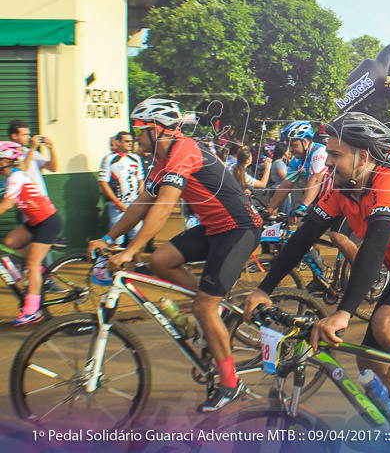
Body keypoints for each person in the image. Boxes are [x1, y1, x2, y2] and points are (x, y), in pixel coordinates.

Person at [244, 112, 390, 431]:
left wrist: (344, 313)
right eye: (327, 154)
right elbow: (302, 239)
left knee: (387, 326)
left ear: (363, 156)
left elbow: (374, 249)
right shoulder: (342, 189)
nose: (327, 162)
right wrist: (263, 289)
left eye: (335, 155)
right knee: (368, 359)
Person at [86, 98, 261, 412]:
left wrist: (131, 250)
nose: (137, 137)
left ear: (158, 129)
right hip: (212, 228)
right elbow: (142, 203)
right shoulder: (160, 160)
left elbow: (165, 205)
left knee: (203, 308)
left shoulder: (184, 150)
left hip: (239, 228)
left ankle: (231, 384)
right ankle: (214, 312)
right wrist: (106, 237)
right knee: (160, 262)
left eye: (140, 130)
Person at [0, 141, 63, 325]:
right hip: (35, 222)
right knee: (10, 242)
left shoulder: (16, 177)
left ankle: (32, 311)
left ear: (9, 160)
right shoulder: (8, 178)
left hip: (48, 222)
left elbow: (6, 205)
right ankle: (37, 268)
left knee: (33, 264)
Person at [267, 121, 328, 222]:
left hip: (340, 198)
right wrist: (269, 210)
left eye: (294, 145)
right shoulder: (296, 160)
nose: (290, 150)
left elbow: (316, 180)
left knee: (335, 235)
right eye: (289, 146)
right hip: (321, 200)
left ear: (304, 142)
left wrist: (303, 206)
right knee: (301, 232)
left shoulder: (320, 151)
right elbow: (286, 185)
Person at [97, 130, 146, 256]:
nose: (130, 144)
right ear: (118, 142)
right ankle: (114, 269)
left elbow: (140, 179)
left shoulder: (135, 158)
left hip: (133, 204)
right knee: (115, 239)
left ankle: (139, 265)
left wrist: (140, 198)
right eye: (126, 141)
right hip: (117, 205)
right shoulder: (109, 159)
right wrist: (117, 202)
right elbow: (103, 182)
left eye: (131, 141)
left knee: (136, 237)